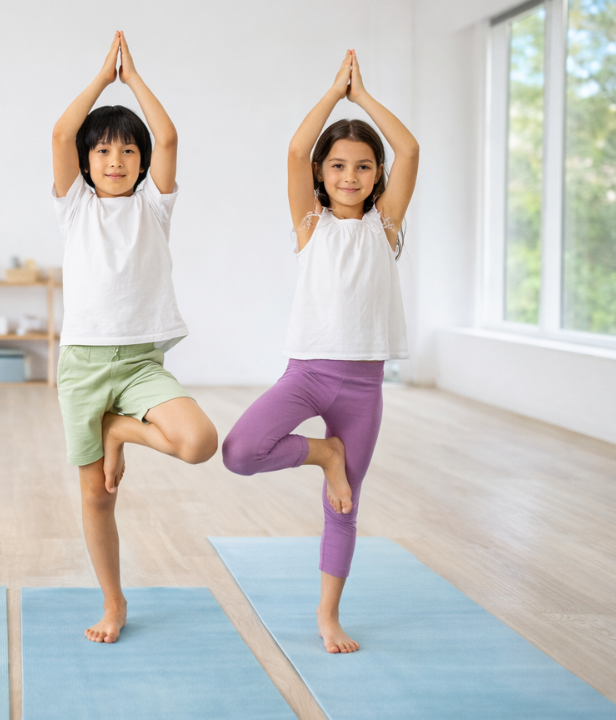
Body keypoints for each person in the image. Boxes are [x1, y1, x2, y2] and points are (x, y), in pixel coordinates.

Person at [221, 50, 419, 653]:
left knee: (345, 507)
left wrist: (365, 101)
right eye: (337, 166)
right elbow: (293, 152)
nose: (350, 177)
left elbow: (408, 151)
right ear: (322, 174)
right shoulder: (311, 224)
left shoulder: (386, 226)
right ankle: (323, 454)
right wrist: (335, 94)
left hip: (363, 387)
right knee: (239, 451)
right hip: (307, 373)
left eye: (363, 167)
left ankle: (328, 615)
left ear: (377, 176)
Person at [51, 31, 218, 644]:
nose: (115, 161)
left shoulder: (155, 207)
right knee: (97, 499)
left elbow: (169, 135)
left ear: (142, 161)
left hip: (142, 364)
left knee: (199, 442)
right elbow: (58, 137)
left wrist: (133, 77)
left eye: (127, 151)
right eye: (102, 152)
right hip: (85, 366)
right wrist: (101, 79)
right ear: (86, 161)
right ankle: (113, 601)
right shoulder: (76, 207)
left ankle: (120, 428)